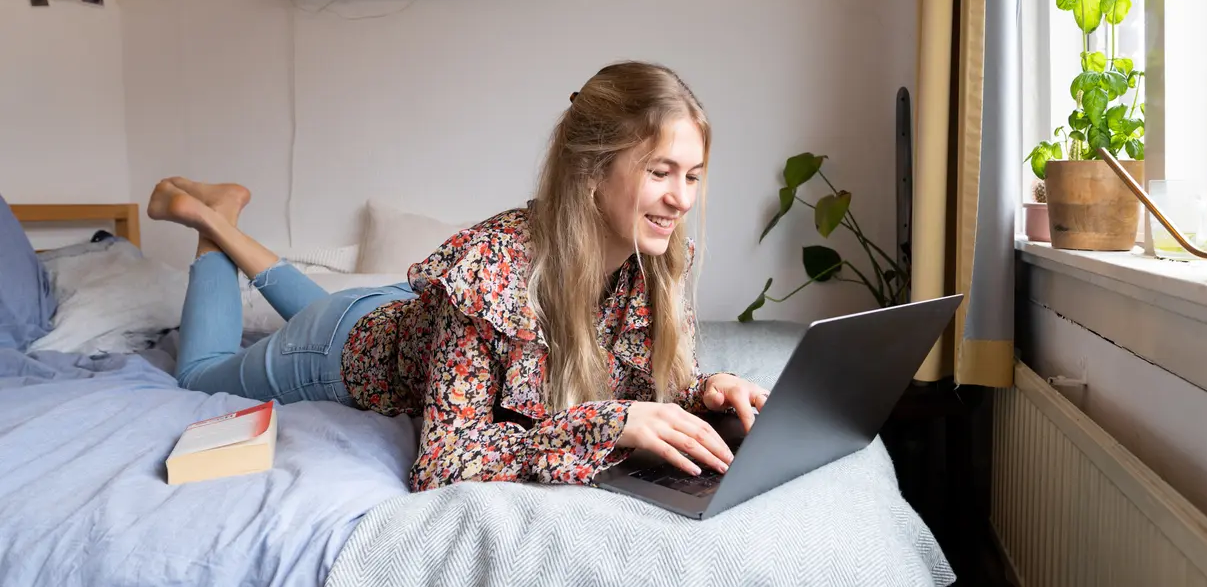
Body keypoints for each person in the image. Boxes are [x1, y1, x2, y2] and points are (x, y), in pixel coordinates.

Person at [149, 61, 769, 492]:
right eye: (661, 171)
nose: (682, 199)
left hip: (401, 316)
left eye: (692, 176)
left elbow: (631, 376)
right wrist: (607, 425)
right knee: (199, 377)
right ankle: (213, 224)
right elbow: (444, 460)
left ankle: (226, 223)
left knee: (327, 305)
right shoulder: (496, 266)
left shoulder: (650, 259)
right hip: (338, 349)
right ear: (591, 170)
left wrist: (707, 390)